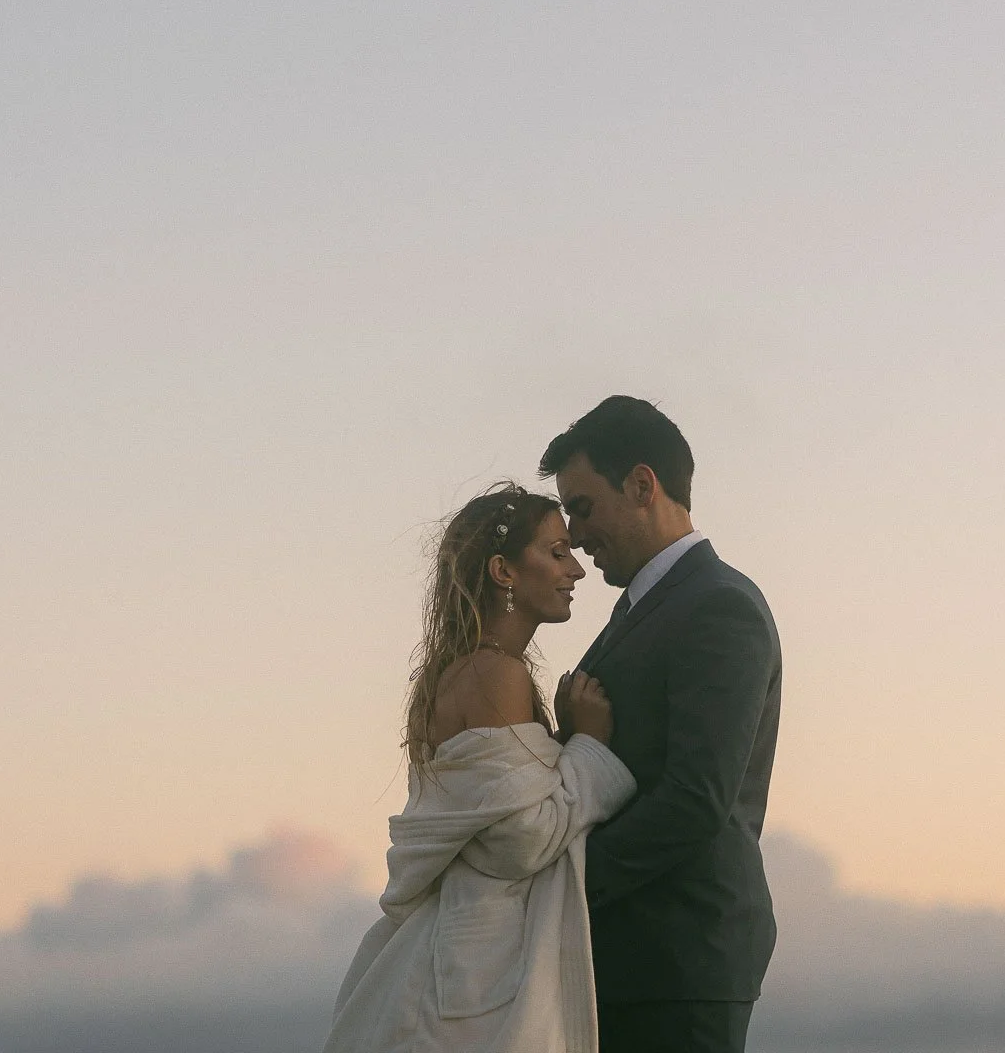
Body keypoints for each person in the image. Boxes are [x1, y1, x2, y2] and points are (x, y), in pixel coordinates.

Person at [323, 483, 638, 1053]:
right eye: (556, 552)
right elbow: (519, 842)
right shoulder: (497, 674)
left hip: (459, 960)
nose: (577, 571)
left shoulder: (463, 669)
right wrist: (590, 746)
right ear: (504, 571)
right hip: (479, 981)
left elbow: (501, 809)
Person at [539, 396, 783, 1053]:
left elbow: (695, 800)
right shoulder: (643, 611)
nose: (576, 536)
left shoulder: (719, 606)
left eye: (583, 507)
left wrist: (556, 883)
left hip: (678, 960)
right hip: (634, 961)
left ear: (642, 485)